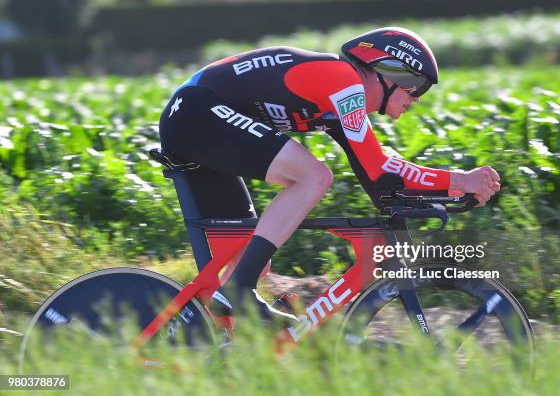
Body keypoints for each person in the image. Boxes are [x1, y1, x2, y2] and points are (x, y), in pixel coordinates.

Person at [158, 27, 501, 323]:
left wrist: (448, 193)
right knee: (314, 176)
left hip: (200, 119)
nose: (416, 101)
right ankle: (239, 290)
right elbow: (380, 168)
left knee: (250, 257)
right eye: (416, 90)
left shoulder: (338, 102)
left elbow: (379, 184)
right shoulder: (343, 81)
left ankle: (222, 343)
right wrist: (458, 180)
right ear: (391, 72)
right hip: (196, 111)